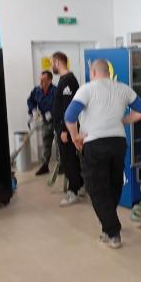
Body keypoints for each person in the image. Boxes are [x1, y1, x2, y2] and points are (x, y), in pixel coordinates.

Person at [65, 59, 141, 249]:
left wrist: (75, 136)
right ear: (108, 72)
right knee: (114, 183)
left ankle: (112, 232)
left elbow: (69, 116)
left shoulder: (87, 89)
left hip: (94, 143)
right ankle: (108, 224)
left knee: (96, 188)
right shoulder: (123, 88)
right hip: (118, 142)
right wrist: (123, 121)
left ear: (93, 72)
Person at [51, 52, 84, 206]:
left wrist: (65, 130)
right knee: (70, 159)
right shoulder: (63, 79)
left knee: (68, 160)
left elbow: (69, 107)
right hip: (62, 128)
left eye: (52, 62)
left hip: (67, 129)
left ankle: (73, 192)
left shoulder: (69, 81)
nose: (51, 65)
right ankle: (79, 185)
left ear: (58, 62)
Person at [27, 70, 56, 175]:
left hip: (57, 121)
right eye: (40, 79)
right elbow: (30, 101)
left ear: (50, 80)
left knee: (60, 144)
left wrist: (52, 113)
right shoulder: (37, 90)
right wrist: (33, 110)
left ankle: (61, 166)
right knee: (46, 142)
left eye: (43, 80)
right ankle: (45, 165)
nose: (40, 82)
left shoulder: (56, 91)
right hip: (45, 121)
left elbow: (61, 105)